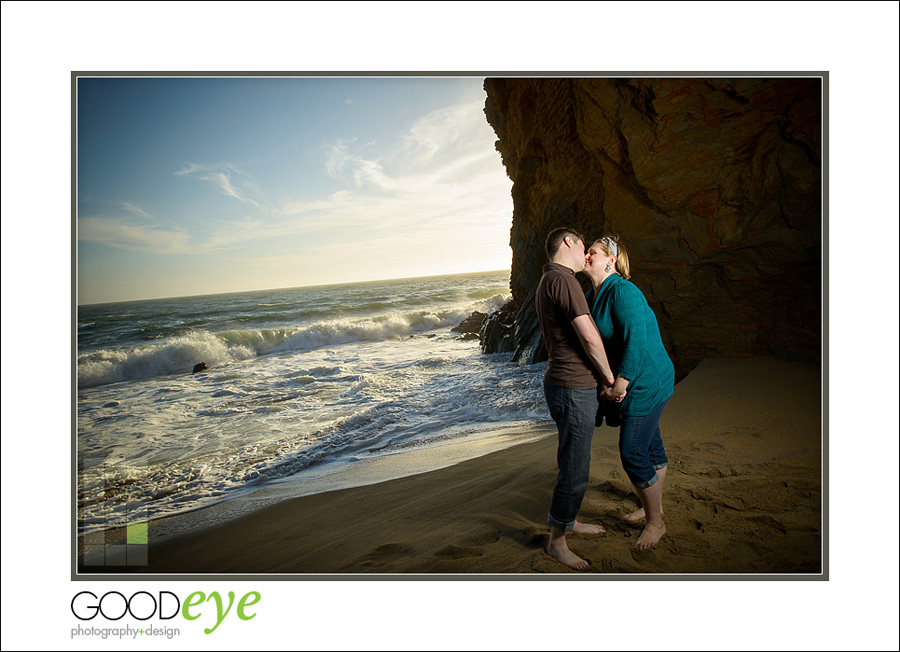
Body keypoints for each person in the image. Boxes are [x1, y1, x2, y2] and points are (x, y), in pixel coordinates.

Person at [583, 236, 675, 550]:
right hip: (630, 379)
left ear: (610, 260)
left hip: (648, 380)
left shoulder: (623, 291)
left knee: (633, 452)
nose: (586, 254)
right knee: (651, 446)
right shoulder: (591, 294)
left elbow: (636, 342)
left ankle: (655, 523)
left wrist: (618, 386)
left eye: (592, 251)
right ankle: (656, 507)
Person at [534, 227, 617, 570]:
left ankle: (568, 521)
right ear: (568, 242)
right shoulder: (565, 281)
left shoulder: (549, 281)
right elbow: (588, 336)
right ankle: (557, 542)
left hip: (562, 383)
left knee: (572, 459)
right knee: (575, 468)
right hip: (572, 386)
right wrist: (610, 378)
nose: (586, 252)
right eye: (583, 244)